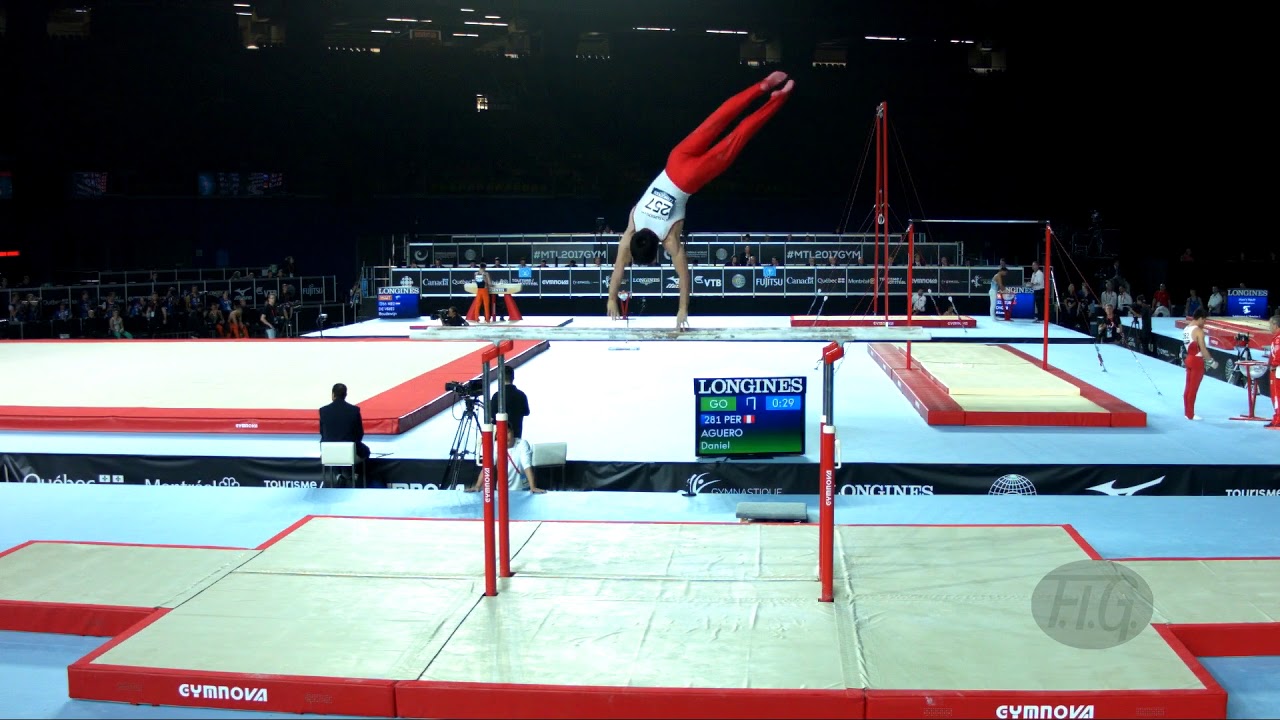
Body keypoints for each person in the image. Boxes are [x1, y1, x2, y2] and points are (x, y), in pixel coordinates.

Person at [607, 71, 794, 330]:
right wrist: (611, 297)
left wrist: (682, 309)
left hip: (689, 179)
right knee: (717, 119)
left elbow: (684, 277)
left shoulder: (669, 238)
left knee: (736, 139)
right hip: (675, 160)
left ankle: (779, 98)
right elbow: (619, 267)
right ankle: (762, 86)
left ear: (655, 250)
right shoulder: (632, 225)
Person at [467, 425, 545, 494]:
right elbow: (487, 467)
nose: (505, 436)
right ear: (497, 436)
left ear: (513, 432)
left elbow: (526, 465)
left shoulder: (522, 444)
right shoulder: (495, 446)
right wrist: (477, 486)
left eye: (507, 432)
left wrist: (533, 487)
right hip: (502, 490)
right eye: (501, 433)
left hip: (522, 489)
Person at [319, 383, 371, 485]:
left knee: (334, 447)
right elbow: (360, 434)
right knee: (365, 451)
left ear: (333, 395)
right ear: (345, 394)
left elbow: (322, 433)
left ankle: (338, 475)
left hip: (329, 452)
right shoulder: (354, 410)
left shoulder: (323, 411)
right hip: (349, 450)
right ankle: (353, 474)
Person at [1183, 308, 1219, 421]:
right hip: (1196, 361)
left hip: (1188, 358)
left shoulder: (1186, 328)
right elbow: (1203, 349)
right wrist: (1212, 362)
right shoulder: (1198, 330)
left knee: (1188, 388)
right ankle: (1190, 415)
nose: (1205, 323)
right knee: (1193, 389)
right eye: (1204, 320)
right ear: (1200, 318)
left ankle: (1187, 412)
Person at [489, 365, 530, 439]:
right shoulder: (521, 395)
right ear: (513, 378)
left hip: (500, 436)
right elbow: (526, 412)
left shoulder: (496, 396)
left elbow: (491, 419)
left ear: (500, 379)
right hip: (517, 434)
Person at [1267, 314, 1280, 428]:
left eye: (1270, 324)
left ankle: (1278, 419)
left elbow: (1277, 353)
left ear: (1275, 325)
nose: (1269, 327)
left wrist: (1273, 365)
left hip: (1277, 371)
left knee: (1276, 395)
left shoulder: (1278, 339)